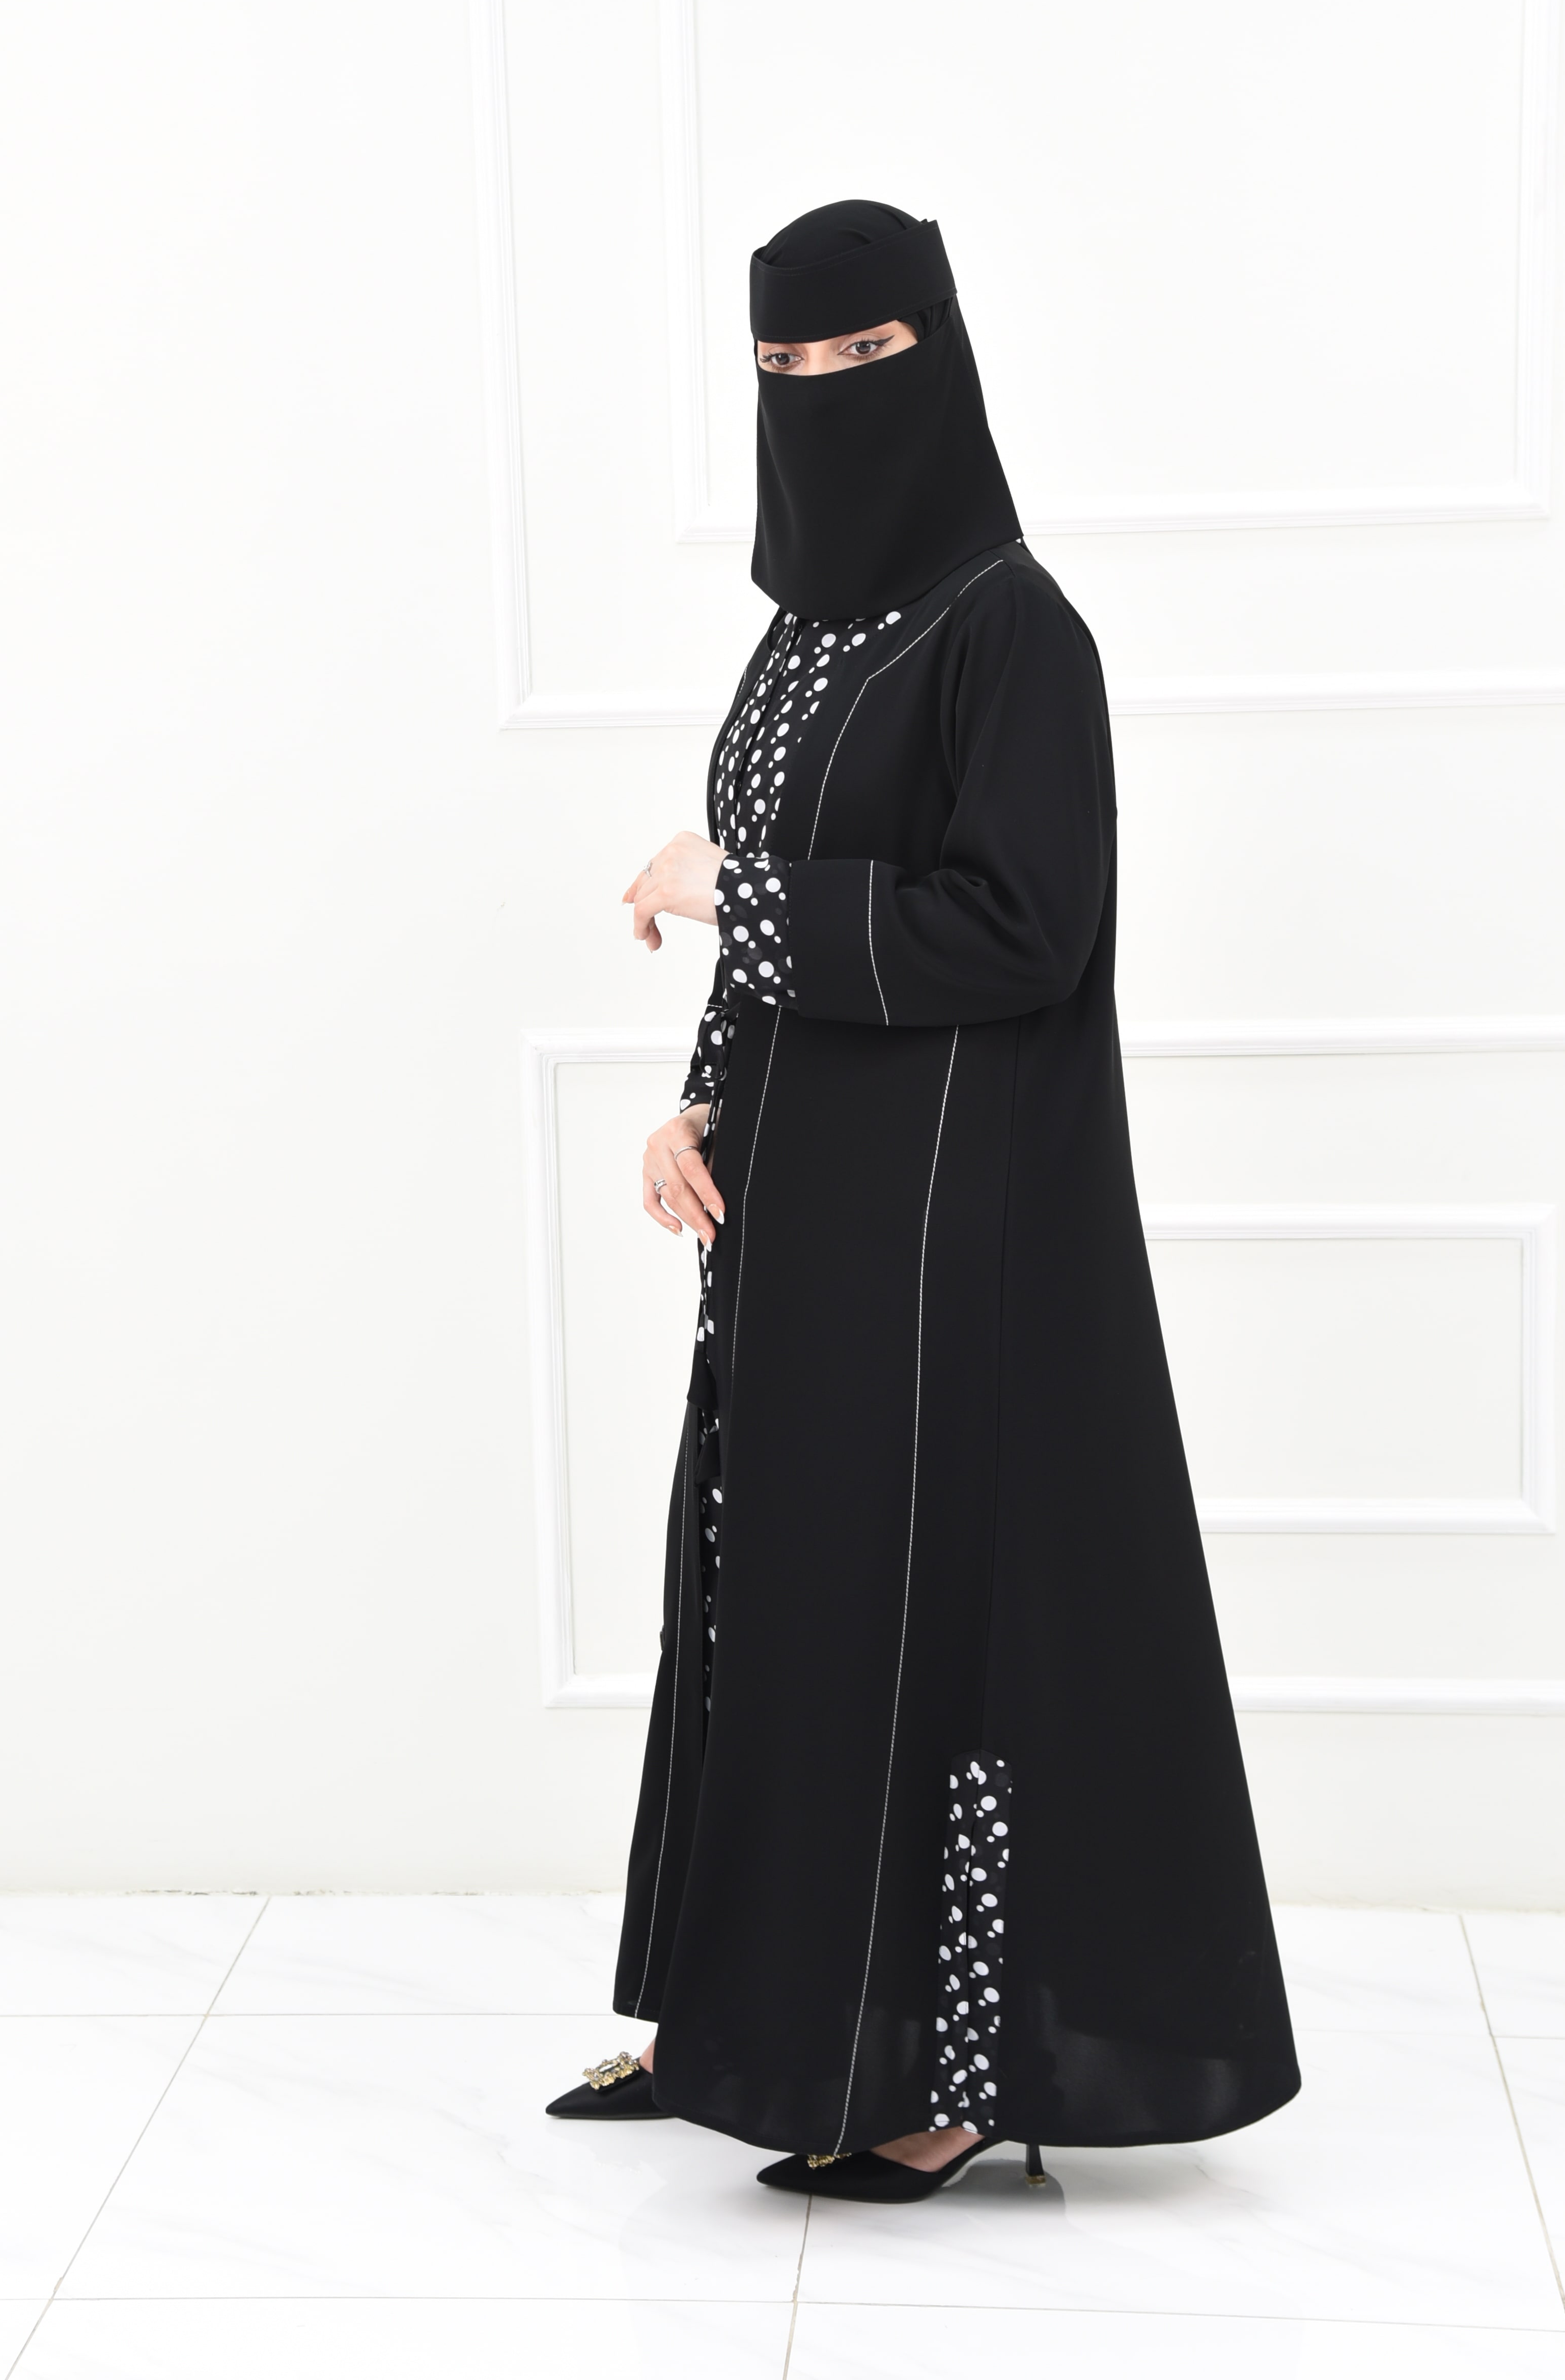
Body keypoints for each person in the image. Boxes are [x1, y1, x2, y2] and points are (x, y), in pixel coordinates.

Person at [546, 201, 1299, 2202]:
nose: (821, 399)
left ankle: (954, 2074)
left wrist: (740, 891)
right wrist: (696, 1104)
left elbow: (1024, 926)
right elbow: (769, 933)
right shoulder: (802, 639)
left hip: (952, 1240)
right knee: (768, 1599)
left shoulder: (1012, 632)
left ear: (938, 361)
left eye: (860, 360)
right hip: (793, 1233)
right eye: (782, 369)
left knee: (931, 1626)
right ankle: (736, 2022)